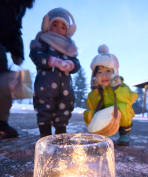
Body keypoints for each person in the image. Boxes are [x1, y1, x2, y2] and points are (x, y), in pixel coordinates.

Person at [29, 7, 80, 138]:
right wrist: (51, 61)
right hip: (45, 87)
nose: (58, 28)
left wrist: (71, 64)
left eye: (63, 27)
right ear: (47, 25)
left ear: (68, 30)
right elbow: (36, 56)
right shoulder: (43, 41)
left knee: (64, 111)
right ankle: (45, 137)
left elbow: (76, 64)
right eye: (55, 24)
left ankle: (61, 135)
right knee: (44, 111)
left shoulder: (69, 47)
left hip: (65, 89)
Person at [84, 44, 138, 146]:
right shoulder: (98, 89)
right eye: (99, 72)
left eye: (108, 71)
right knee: (90, 113)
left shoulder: (121, 86)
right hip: (104, 115)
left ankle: (124, 135)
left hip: (117, 114)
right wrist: (95, 91)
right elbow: (92, 105)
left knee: (125, 108)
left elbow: (128, 99)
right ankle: (98, 133)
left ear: (114, 72)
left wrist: (118, 88)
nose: (104, 75)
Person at [0, 0, 35, 139]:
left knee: (4, 81)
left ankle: (1, 122)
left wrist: (17, 51)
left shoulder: (19, 5)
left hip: (1, 45)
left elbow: (14, 27)